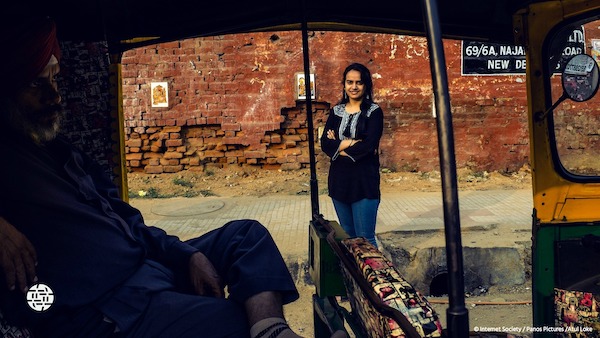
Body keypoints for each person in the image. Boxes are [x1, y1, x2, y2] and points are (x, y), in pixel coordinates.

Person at [0, 15, 347, 338]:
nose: (54, 95)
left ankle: (269, 329)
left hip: (150, 265)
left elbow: (130, 223)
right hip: (109, 307)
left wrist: (187, 255)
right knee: (231, 321)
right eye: (35, 83)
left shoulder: (66, 154)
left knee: (247, 236)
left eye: (55, 79)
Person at [320, 63, 384, 247]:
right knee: (348, 236)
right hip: (339, 180)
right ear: (344, 84)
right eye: (349, 82)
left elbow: (369, 145)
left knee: (365, 239)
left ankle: (372, 276)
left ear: (366, 86)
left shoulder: (374, 112)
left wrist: (338, 146)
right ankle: (354, 276)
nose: (354, 87)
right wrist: (350, 142)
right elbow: (325, 143)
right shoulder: (336, 111)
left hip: (364, 181)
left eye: (359, 82)